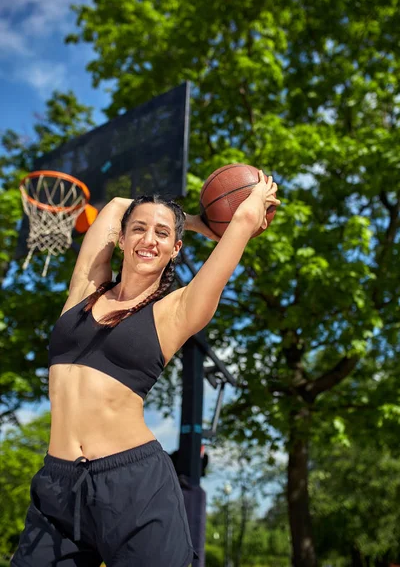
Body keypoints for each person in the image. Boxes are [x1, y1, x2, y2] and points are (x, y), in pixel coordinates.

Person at [12, 171, 280, 567]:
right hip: (58, 485)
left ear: (175, 249)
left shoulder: (177, 311)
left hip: (133, 483)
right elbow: (119, 206)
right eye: (138, 230)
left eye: (161, 234)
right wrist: (186, 219)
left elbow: (240, 225)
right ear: (121, 239)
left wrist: (253, 201)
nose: (148, 239)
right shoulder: (86, 289)